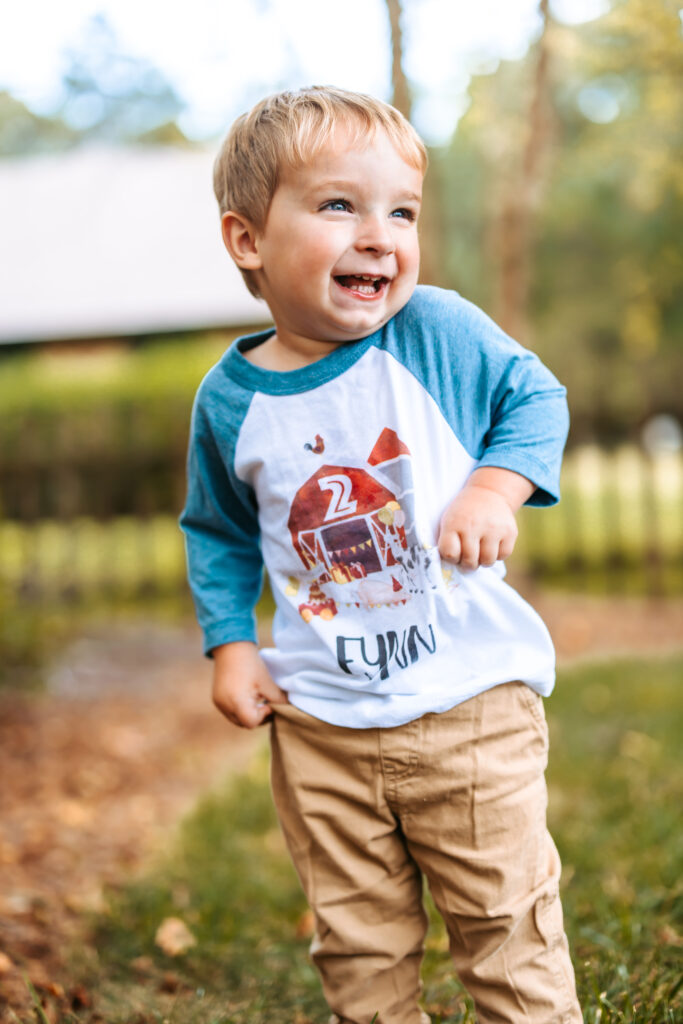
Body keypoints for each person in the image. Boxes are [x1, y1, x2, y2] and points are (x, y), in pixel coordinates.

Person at [180, 86, 582, 1024]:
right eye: (338, 206)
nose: (379, 236)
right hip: (320, 725)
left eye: (400, 212)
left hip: (470, 707)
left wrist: (493, 487)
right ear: (247, 239)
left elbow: (537, 399)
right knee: (356, 941)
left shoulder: (433, 331)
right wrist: (231, 642)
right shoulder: (230, 401)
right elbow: (219, 531)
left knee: (505, 925)